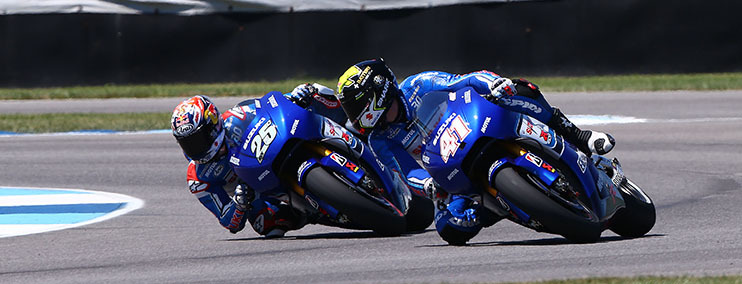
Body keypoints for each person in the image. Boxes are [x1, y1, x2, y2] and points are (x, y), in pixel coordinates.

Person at [335, 59, 616, 246]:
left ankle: (579, 137)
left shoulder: (418, 85)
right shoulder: (380, 140)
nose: (355, 115)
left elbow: (463, 81)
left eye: (355, 106)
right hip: (453, 171)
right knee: (449, 229)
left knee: (521, 89)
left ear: (377, 91)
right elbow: (406, 173)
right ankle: (495, 206)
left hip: (481, 126)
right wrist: (430, 186)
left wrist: (492, 84)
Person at [170, 86, 349, 238]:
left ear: (213, 124)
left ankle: (352, 125)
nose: (194, 148)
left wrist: (294, 97)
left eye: (197, 140)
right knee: (264, 224)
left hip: (275, 150)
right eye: (187, 143)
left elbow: (272, 106)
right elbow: (228, 220)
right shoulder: (198, 177)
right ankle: (309, 212)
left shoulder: (238, 116)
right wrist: (239, 205)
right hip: (258, 192)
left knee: (314, 92)